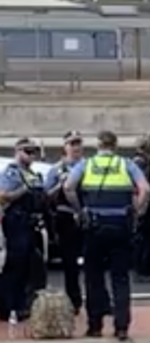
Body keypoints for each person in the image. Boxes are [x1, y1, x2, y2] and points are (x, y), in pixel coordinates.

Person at [64, 131, 150, 340]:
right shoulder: (126, 164)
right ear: (115, 145)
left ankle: (95, 326)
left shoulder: (87, 164)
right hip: (120, 225)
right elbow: (145, 189)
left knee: (94, 278)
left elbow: (68, 187)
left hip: (95, 226)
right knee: (120, 278)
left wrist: (80, 209)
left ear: (98, 145)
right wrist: (136, 210)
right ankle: (121, 327)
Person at [0, 138, 48, 323]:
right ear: (18, 152)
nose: (31, 155)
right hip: (16, 223)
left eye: (33, 152)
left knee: (30, 268)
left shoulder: (32, 173)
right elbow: (3, 196)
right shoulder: (11, 173)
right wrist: (23, 189)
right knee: (15, 266)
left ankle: (22, 305)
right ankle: (9, 307)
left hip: (31, 224)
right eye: (27, 151)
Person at [44, 131, 86, 314]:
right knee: (70, 264)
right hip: (66, 217)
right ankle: (74, 301)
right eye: (72, 144)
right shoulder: (57, 169)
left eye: (78, 143)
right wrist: (59, 185)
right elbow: (46, 197)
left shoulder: (88, 166)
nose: (75, 147)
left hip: (87, 216)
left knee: (93, 261)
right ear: (65, 147)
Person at [131, 133, 150, 282]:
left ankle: (147, 268)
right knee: (145, 239)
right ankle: (142, 271)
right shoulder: (140, 163)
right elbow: (142, 186)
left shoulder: (140, 161)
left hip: (144, 204)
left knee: (149, 239)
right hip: (143, 204)